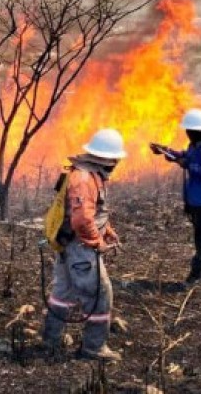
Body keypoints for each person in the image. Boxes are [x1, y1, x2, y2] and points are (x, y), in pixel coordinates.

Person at [42, 128, 127, 363]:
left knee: (63, 292)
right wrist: (97, 242)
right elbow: (81, 220)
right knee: (101, 294)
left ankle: (51, 339)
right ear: (107, 158)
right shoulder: (84, 179)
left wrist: (107, 231)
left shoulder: (89, 175)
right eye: (116, 158)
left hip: (71, 245)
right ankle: (93, 348)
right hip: (80, 249)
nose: (117, 163)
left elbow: (93, 212)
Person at [151, 108, 201, 287]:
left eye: (189, 131)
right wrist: (167, 152)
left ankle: (195, 277)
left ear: (198, 131)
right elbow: (184, 156)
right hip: (196, 201)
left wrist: (188, 165)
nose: (187, 134)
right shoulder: (195, 146)